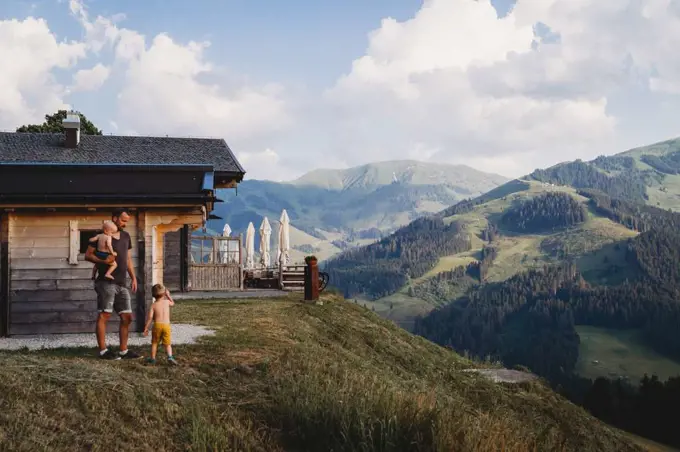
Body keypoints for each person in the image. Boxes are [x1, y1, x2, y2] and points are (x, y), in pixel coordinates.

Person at [84, 208, 141, 361]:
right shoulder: (101, 235)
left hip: (122, 283)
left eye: (126, 221)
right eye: (123, 220)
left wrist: (133, 277)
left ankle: (123, 350)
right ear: (114, 218)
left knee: (127, 317)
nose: (125, 224)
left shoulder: (125, 236)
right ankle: (103, 351)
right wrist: (104, 261)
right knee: (105, 314)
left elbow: (128, 259)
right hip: (105, 281)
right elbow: (88, 256)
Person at [143, 283, 178, 365]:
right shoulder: (167, 302)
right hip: (166, 325)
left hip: (157, 325)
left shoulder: (153, 305)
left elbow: (150, 318)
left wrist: (146, 327)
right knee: (168, 343)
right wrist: (168, 295)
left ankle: (153, 359)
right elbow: (173, 303)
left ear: (153, 295)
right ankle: (170, 357)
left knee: (154, 343)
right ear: (164, 294)